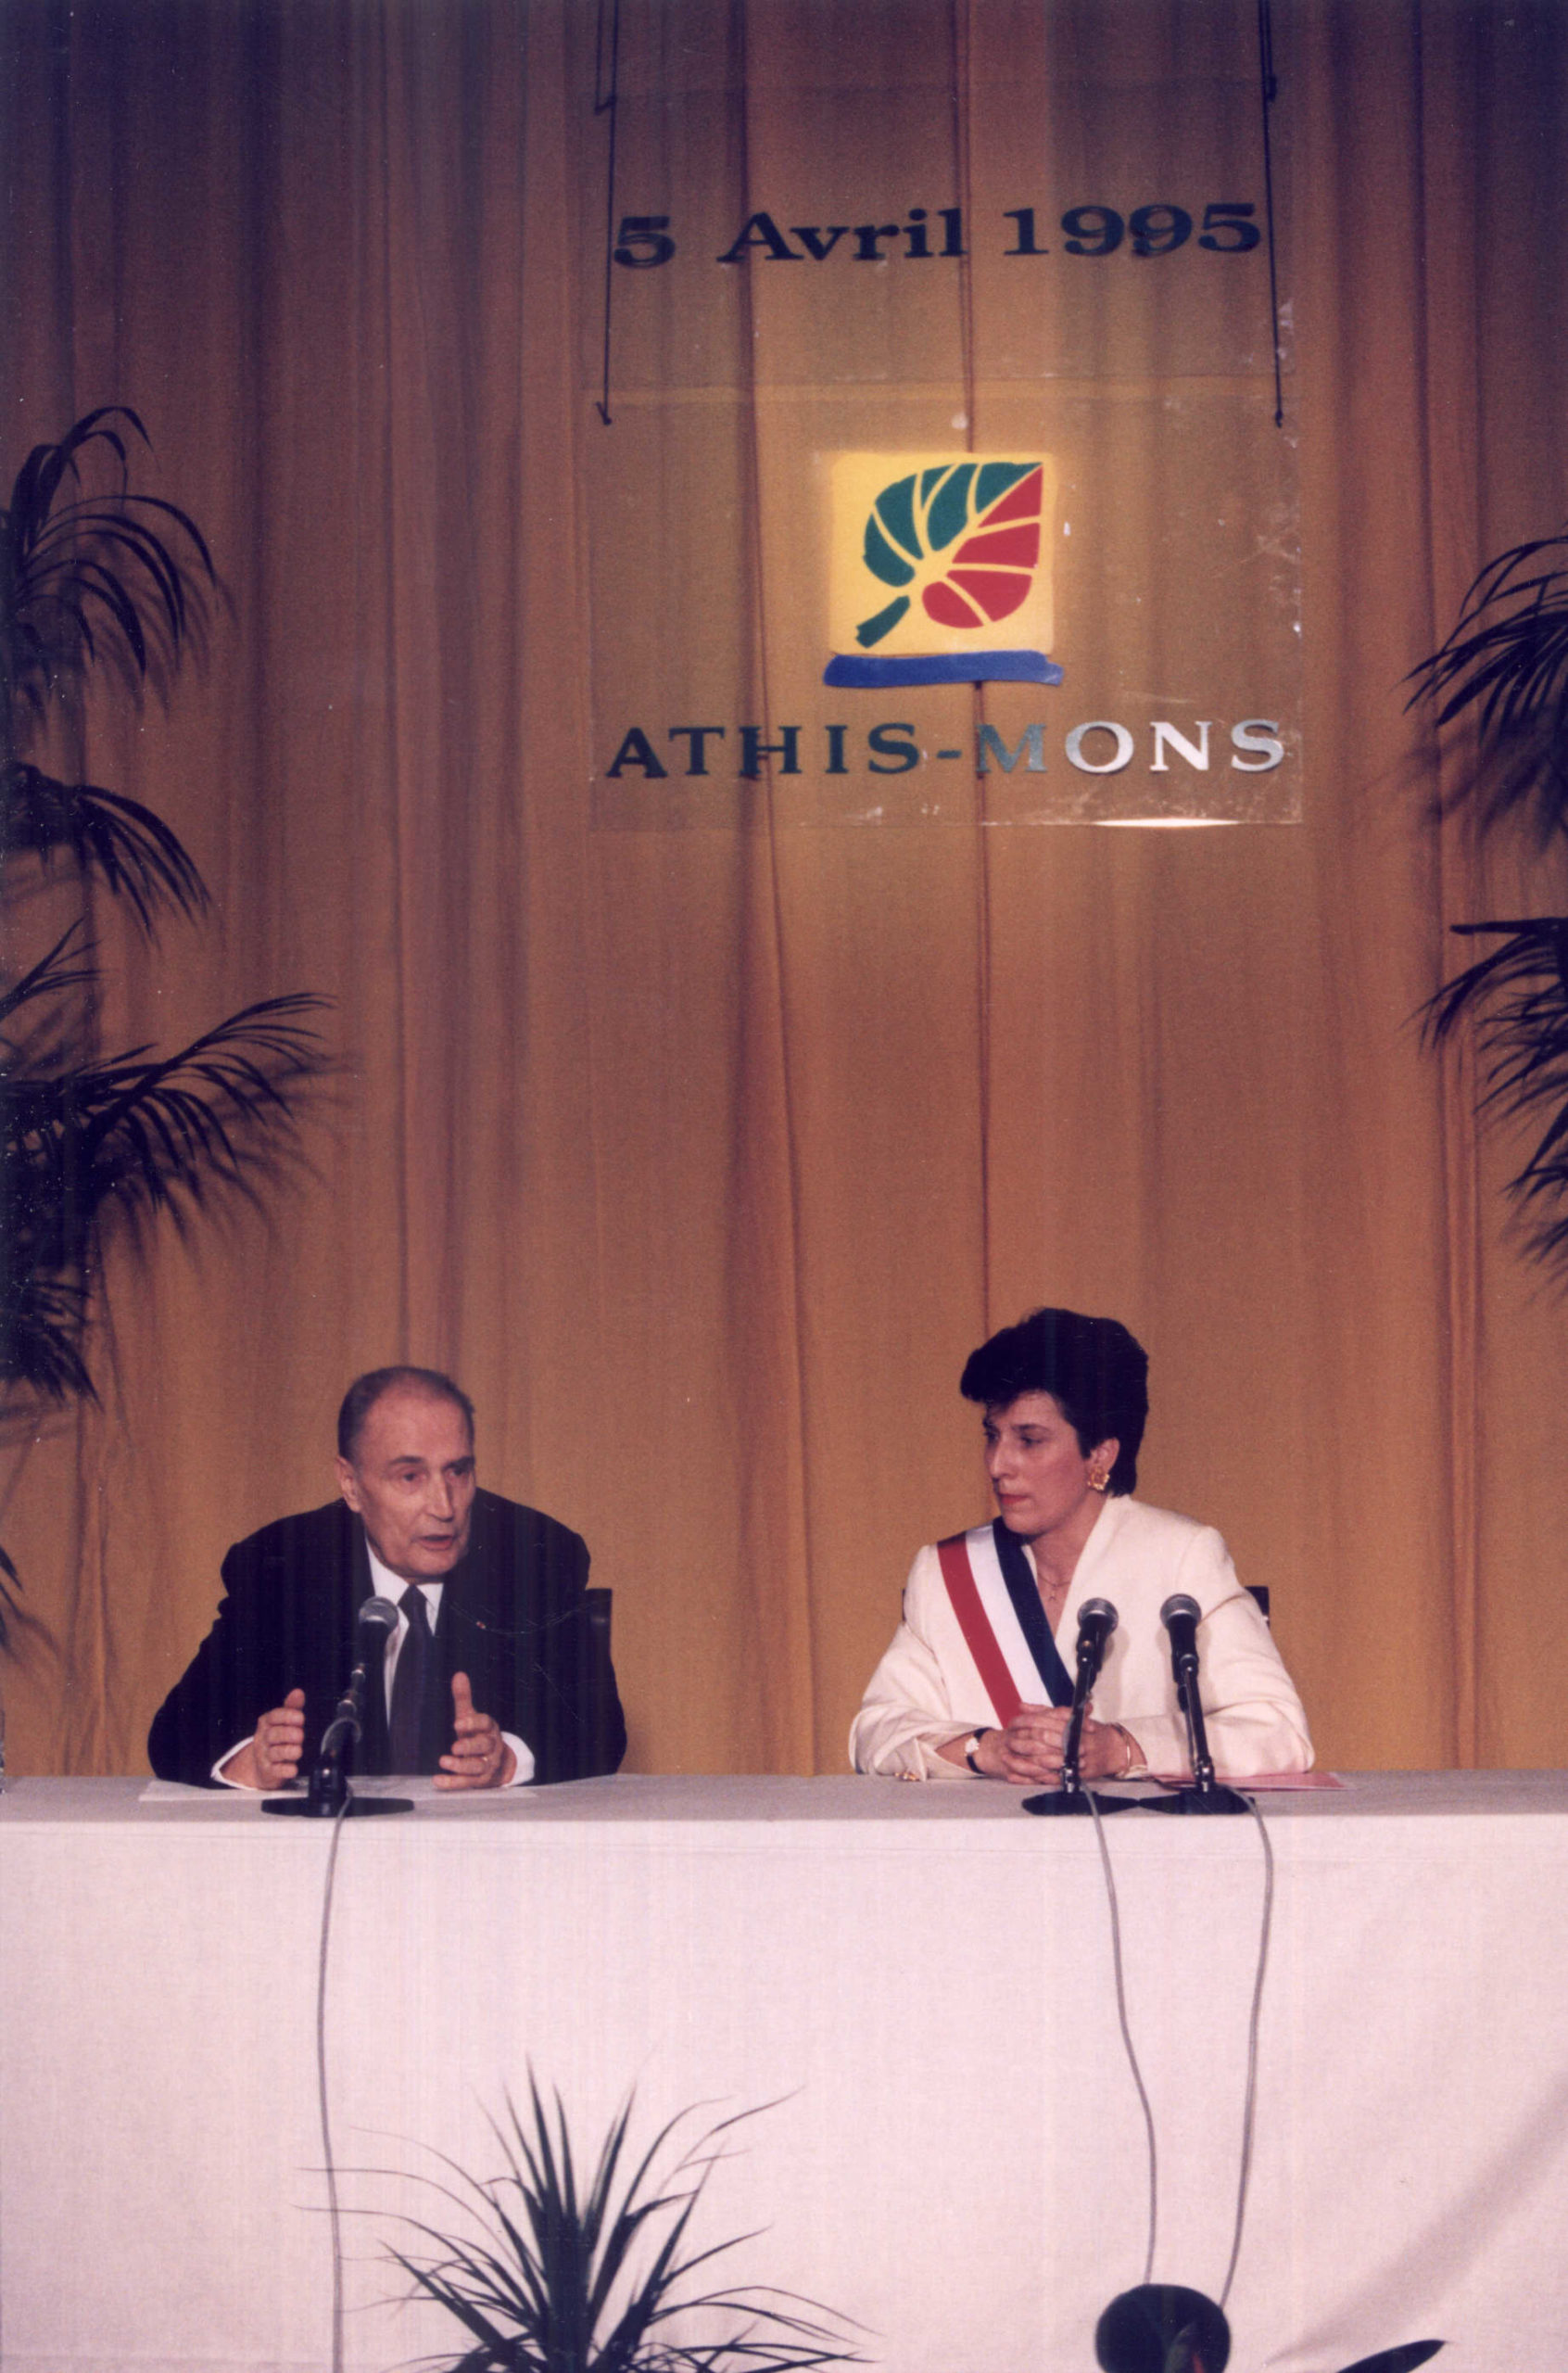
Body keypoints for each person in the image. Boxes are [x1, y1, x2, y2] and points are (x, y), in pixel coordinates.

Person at [851, 1309, 1311, 1783]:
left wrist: (1121, 1748)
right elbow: (876, 1729)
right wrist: (985, 1749)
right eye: (993, 1436)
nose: (997, 1464)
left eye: (1029, 1440)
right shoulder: (943, 1572)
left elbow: (1278, 1730)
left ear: (1100, 1454)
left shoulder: (1181, 1557)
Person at [148, 1365, 626, 1789]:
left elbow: (600, 1731)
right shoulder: (282, 1564)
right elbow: (175, 1735)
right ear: (351, 1485)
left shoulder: (534, 1555)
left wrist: (507, 1761)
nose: (444, 1507)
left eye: (457, 1472)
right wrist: (249, 1763)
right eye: (410, 1478)